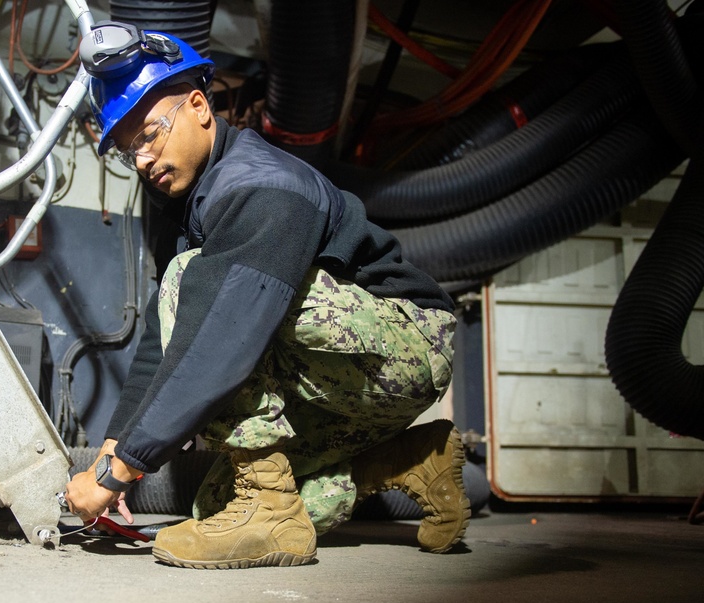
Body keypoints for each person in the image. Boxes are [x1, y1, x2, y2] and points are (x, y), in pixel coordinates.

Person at [64, 22, 469, 569]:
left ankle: (269, 512)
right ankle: (413, 459)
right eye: (127, 149)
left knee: (201, 288)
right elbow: (165, 341)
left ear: (200, 107)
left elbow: (221, 337)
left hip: (411, 343)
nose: (141, 159)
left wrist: (122, 470)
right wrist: (116, 445)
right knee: (215, 507)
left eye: (151, 133)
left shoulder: (262, 186)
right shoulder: (186, 204)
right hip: (335, 363)